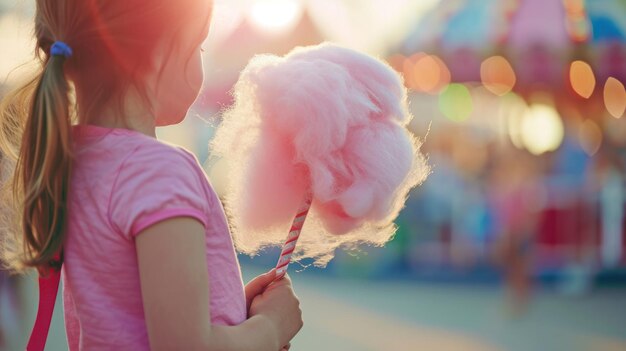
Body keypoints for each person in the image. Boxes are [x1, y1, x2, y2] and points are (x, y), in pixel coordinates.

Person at [0, 1, 302, 350]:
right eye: (198, 45)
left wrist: (232, 310)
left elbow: (133, 312)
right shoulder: (159, 173)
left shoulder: (78, 159)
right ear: (157, 54)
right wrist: (272, 327)